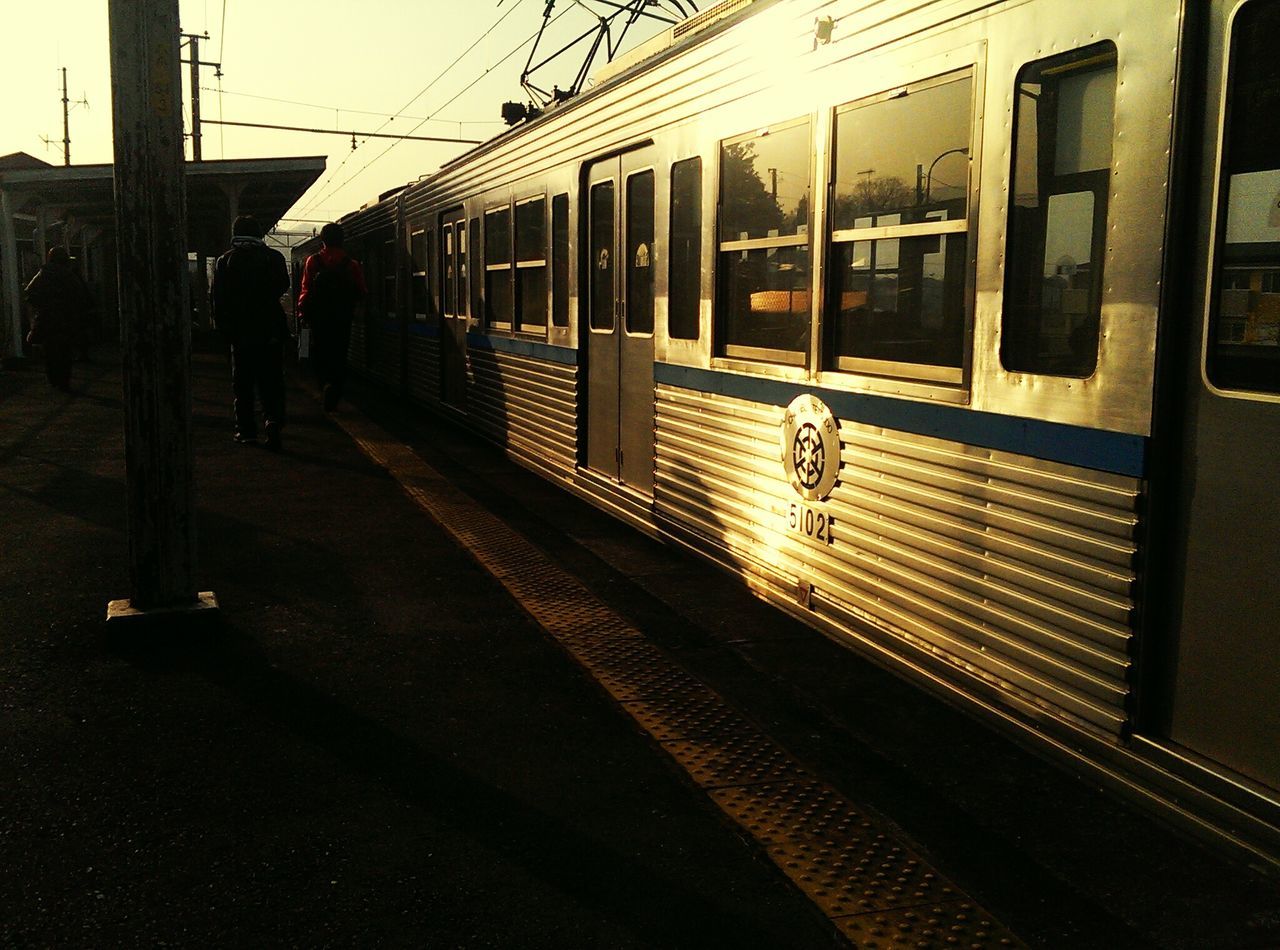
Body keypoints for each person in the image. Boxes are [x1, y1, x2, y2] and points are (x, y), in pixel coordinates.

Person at [211, 215, 291, 450]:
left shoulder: (225, 261)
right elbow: (282, 286)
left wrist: (224, 331)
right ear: (258, 233)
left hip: (240, 332)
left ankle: (246, 431)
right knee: (272, 381)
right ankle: (273, 420)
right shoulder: (273, 257)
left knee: (243, 384)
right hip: (270, 331)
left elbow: (218, 300)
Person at [296, 222, 366, 412]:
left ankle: (324, 384)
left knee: (320, 353)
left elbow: (306, 290)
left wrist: (303, 313)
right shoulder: (351, 264)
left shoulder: (313, 261)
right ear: (342, 240)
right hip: (342, 319)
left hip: (319, 319)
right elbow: (361, 291)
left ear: (323, 240)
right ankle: (335, 389)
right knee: (339, 355)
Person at [23, 246, 94, 393]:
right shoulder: (69, 275)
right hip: (66, 318)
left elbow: (29, 292)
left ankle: (53, 378)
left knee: (49, 351)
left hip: (47, 318)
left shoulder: (44, 273)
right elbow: (80, 295)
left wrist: (41, 305)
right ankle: (64, 381)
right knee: (65, 351)